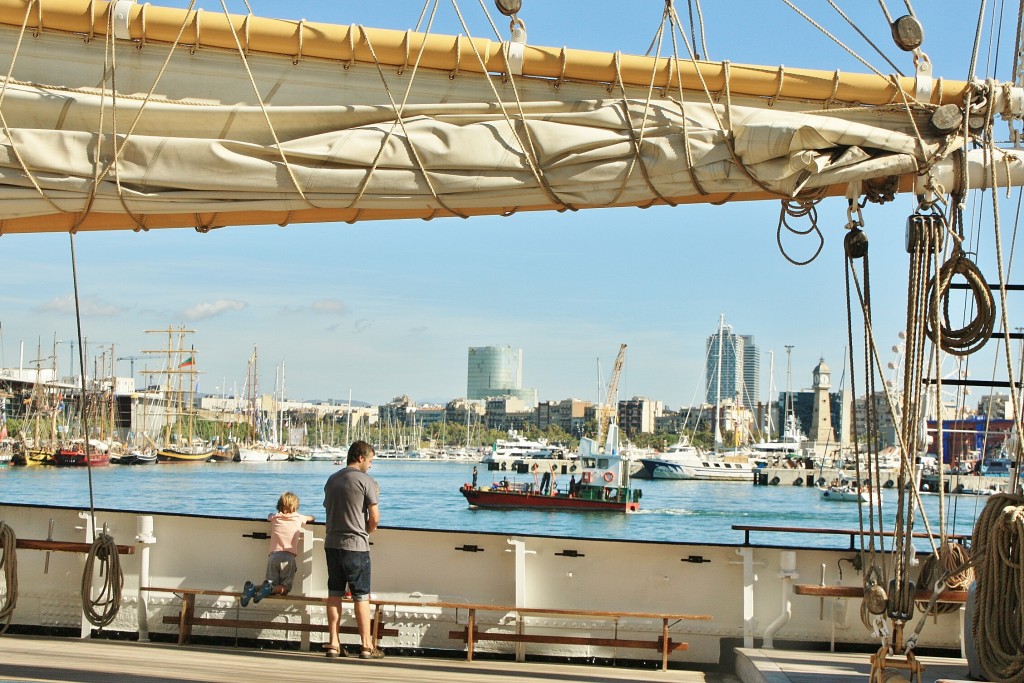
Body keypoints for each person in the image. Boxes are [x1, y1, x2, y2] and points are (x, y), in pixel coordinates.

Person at [324, 440, 383, 659]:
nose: (370, 465)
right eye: (370, 461)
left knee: (334, 594)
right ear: (360, 458)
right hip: (356, 546)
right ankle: (367, 646)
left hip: (332, 544)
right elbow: (375, 518)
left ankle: (332, 644)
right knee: (361, 595)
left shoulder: (332, 480)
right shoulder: (366, 481)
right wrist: (366, 530)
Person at [241, 491, 314, 607]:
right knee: (285, 588)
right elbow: (311, 518)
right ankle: (266, 589)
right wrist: (311, 517)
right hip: (288, 557)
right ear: (296, 506)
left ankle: (252, 588)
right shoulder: (299, 518)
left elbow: (269, 516)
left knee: (271, 583)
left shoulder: (275, 517)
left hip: (274, 556)